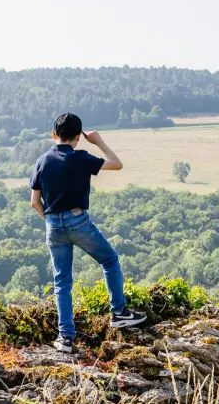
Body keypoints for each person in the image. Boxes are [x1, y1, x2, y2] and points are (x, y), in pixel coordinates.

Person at [30, 112, 147, 353]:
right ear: (78, 138)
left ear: (54, 135)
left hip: (52, 224)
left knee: (62, 281)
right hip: (77, 221)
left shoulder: (42, 161)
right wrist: (99, 142)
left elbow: (34, 202)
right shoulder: (81, 158)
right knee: (110, 260)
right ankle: (119, 312)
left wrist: (51, 220)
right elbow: (117, 164)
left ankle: (65, 339)